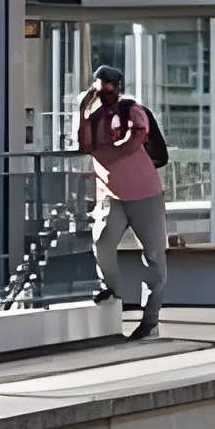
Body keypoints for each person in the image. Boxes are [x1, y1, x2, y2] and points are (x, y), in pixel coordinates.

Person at [78, 63, 168, 341]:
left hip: (145, 194)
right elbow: (83, 144)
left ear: (118, 85)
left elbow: (136, 136)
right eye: (100, 84)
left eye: (109, 84)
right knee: (102, 242)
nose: (104, 90)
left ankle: (150, 320)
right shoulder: (91, 115)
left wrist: (109, 153)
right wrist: (82, 110)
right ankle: (111, 292)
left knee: (153, 256)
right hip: (111, 194)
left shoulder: (131, 108)